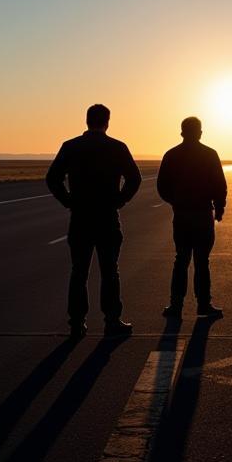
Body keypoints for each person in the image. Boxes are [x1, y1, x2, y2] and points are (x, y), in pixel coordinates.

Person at [46, 104, 141, 339]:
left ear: (87, 121)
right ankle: (111, 320)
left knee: (79, 271)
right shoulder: (117, 147)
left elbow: (52, 178)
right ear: (107, 122)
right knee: (110, 271)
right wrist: (120, 200)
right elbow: (134, 178)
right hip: (107, 217)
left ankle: (77, 323)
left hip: (80, 217)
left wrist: (68, 201)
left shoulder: (71, 147)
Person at [157, 117, 228, 320]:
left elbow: (162, 186)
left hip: (182, 216)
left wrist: (175, 202)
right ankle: (203, 304)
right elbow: (219, 184)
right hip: (202, 214)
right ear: (199, 132)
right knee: (201, 261)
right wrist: (219, 207)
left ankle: (176, 305)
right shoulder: (209, 154)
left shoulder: (171, 155)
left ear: (182, 132)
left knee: (181, 260)